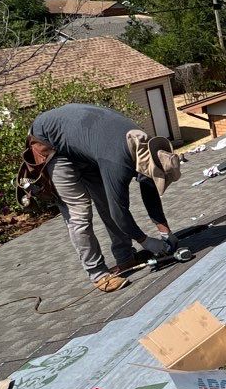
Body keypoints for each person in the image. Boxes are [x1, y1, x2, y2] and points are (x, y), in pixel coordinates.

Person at [24, 104, 182, 291]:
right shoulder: (118, 162)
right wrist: (146, 241)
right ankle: (98, 274)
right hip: (50, 145)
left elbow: (149, 189)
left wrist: (165, 232)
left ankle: (125, 259)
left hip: (83, 146)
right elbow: (119, 212)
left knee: (107, 202)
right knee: (80, 213)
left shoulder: (145, 145)